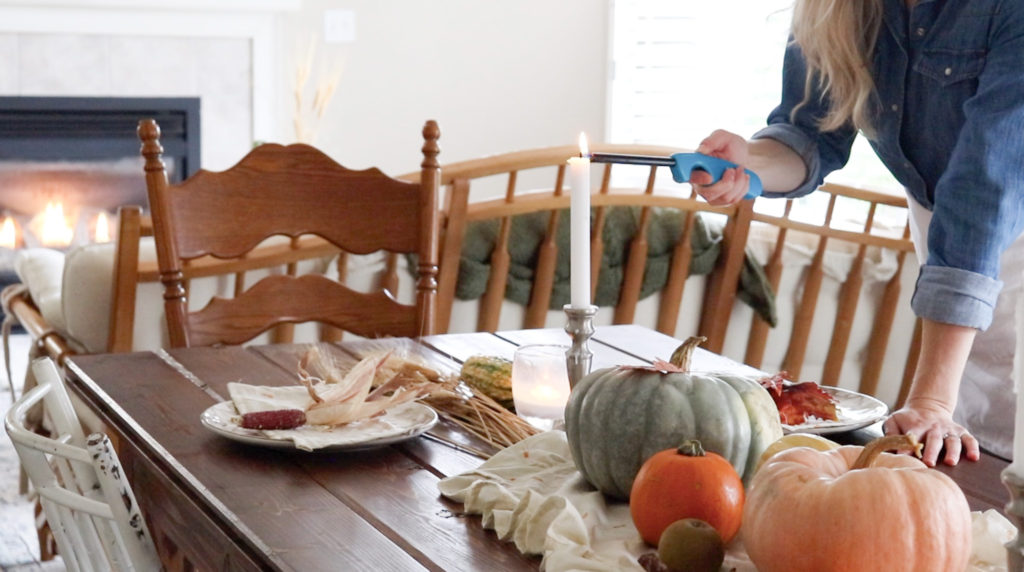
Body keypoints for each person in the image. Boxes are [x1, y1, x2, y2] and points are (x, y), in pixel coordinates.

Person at [689, 0, 1024, 466]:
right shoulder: (835, 9)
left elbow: (984, 190)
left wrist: (932, 402)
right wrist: (750, 163)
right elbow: (810, 133)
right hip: (954, 275)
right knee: (980, 468)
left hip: (986, 246)